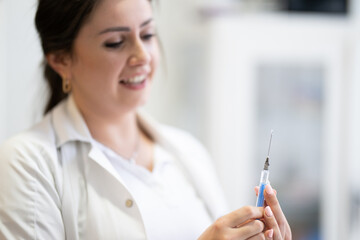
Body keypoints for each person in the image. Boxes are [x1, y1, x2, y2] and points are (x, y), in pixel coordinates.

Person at [0, 0, 292, 239]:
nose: (142, 55)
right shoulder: (27, 164)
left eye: (148, 34)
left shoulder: (188, 153)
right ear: (61, 60)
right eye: (115, 42)